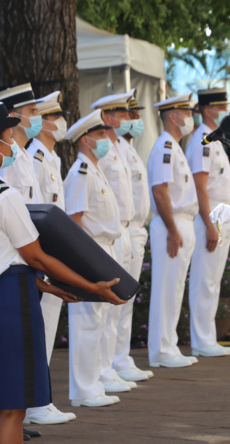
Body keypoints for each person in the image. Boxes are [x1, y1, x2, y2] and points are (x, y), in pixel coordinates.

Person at [0, 102, 124, 444]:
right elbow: (35, 256)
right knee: (11, 408)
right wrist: (87, 284)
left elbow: (5, 257)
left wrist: (50, 288)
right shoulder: (2, 192)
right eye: (9, 137)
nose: (14, 143)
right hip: (10, 303)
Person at [63, 108, 129, 405]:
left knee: (100, 320)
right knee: (87, 322)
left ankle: (96, 379)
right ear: (86, 140)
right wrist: (83, 262)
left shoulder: (94, 169)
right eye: (101, 135)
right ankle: (83, 389)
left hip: (105, 247)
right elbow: (74, 222)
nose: (107, 139)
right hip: (91, 249)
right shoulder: (80, 173)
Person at [23, 91, 77, 425]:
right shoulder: (34, 158)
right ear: (42, 121)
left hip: (54, 249)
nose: (61, 123)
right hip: (42, 253)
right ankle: (34, 403)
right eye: (55, 116)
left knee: (49, 324)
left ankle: (40, 399)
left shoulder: (50, 158)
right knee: (40, 326)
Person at [90, 92, 140, 393]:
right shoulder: (103, 153)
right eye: (122, 114)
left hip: (124, 230)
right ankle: (102, 368)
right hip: (110, 232)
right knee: (106, 309)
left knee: (121, 306)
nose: (129, 120)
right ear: (107, 117)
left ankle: (115, 361)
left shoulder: (120, 148)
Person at [146, 93, 200, 368]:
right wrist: (171, 229)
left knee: (175, 288)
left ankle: (169, 346)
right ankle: (162, 350)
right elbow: (160, 190)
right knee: (167, 288)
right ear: (174, 117)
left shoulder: (174, 147)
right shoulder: (165, 148)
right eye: (186, 112)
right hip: (173, 222)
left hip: (180, 222)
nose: (191, 117)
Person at [184, 88, 230, 357]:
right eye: (222, 105)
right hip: (210, 214)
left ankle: (207, 337)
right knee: (205, 279)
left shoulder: (215, 139)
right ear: (208, 110)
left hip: (219, 213)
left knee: (212, 279)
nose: (226, 109)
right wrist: (209, 223)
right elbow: (200, 186)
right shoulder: (203, 140)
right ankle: (202, 340)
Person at [111, 92, 155, 383]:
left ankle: (121, 357)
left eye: (135, 115)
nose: (135, 120)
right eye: (129, 115)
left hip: (135, 228)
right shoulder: (114, 151)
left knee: (127, 300)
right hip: (121, 229)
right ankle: (113, 362)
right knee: (116, 302)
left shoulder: (128, 148)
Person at [0, 83, 44, 203]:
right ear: (15, 117)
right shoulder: (8, 158)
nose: (38, 116)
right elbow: (4, 203)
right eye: (32, 111)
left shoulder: (24, 154)